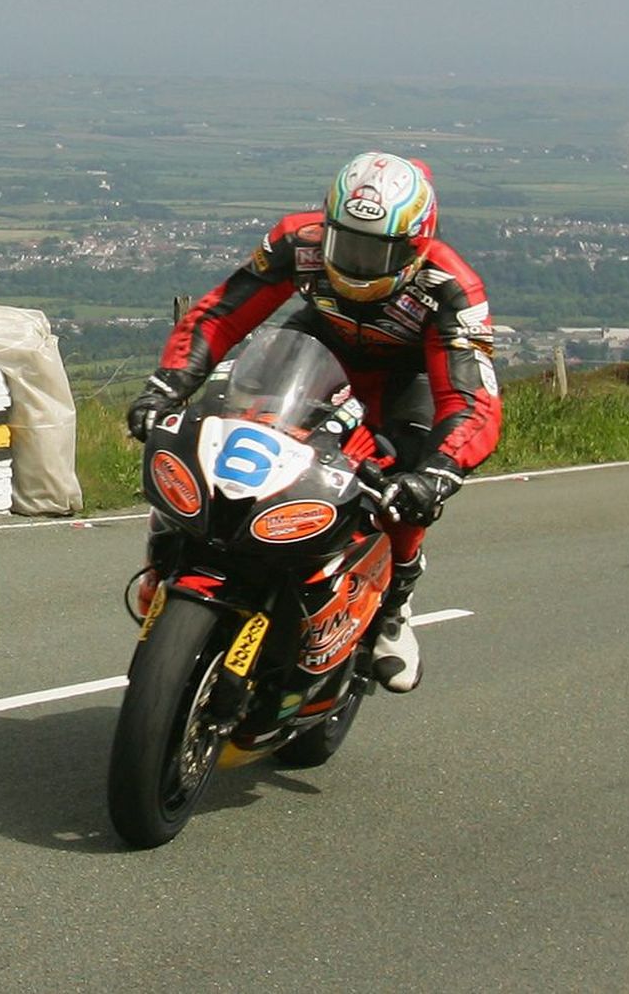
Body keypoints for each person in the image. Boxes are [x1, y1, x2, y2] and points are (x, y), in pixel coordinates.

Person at [125, 151, 502, 693]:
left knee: (404, 480)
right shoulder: (296, 241)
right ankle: (173, 558)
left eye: (376, 252)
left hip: (408, 377)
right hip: (316, 351)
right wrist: (168, 385)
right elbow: (221, 312)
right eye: (345, 243)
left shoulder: (451, 286)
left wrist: (439, 470)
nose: (355, 263)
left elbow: (470, 397)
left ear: (415, 247)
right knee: (221, 430)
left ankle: (395, 606)